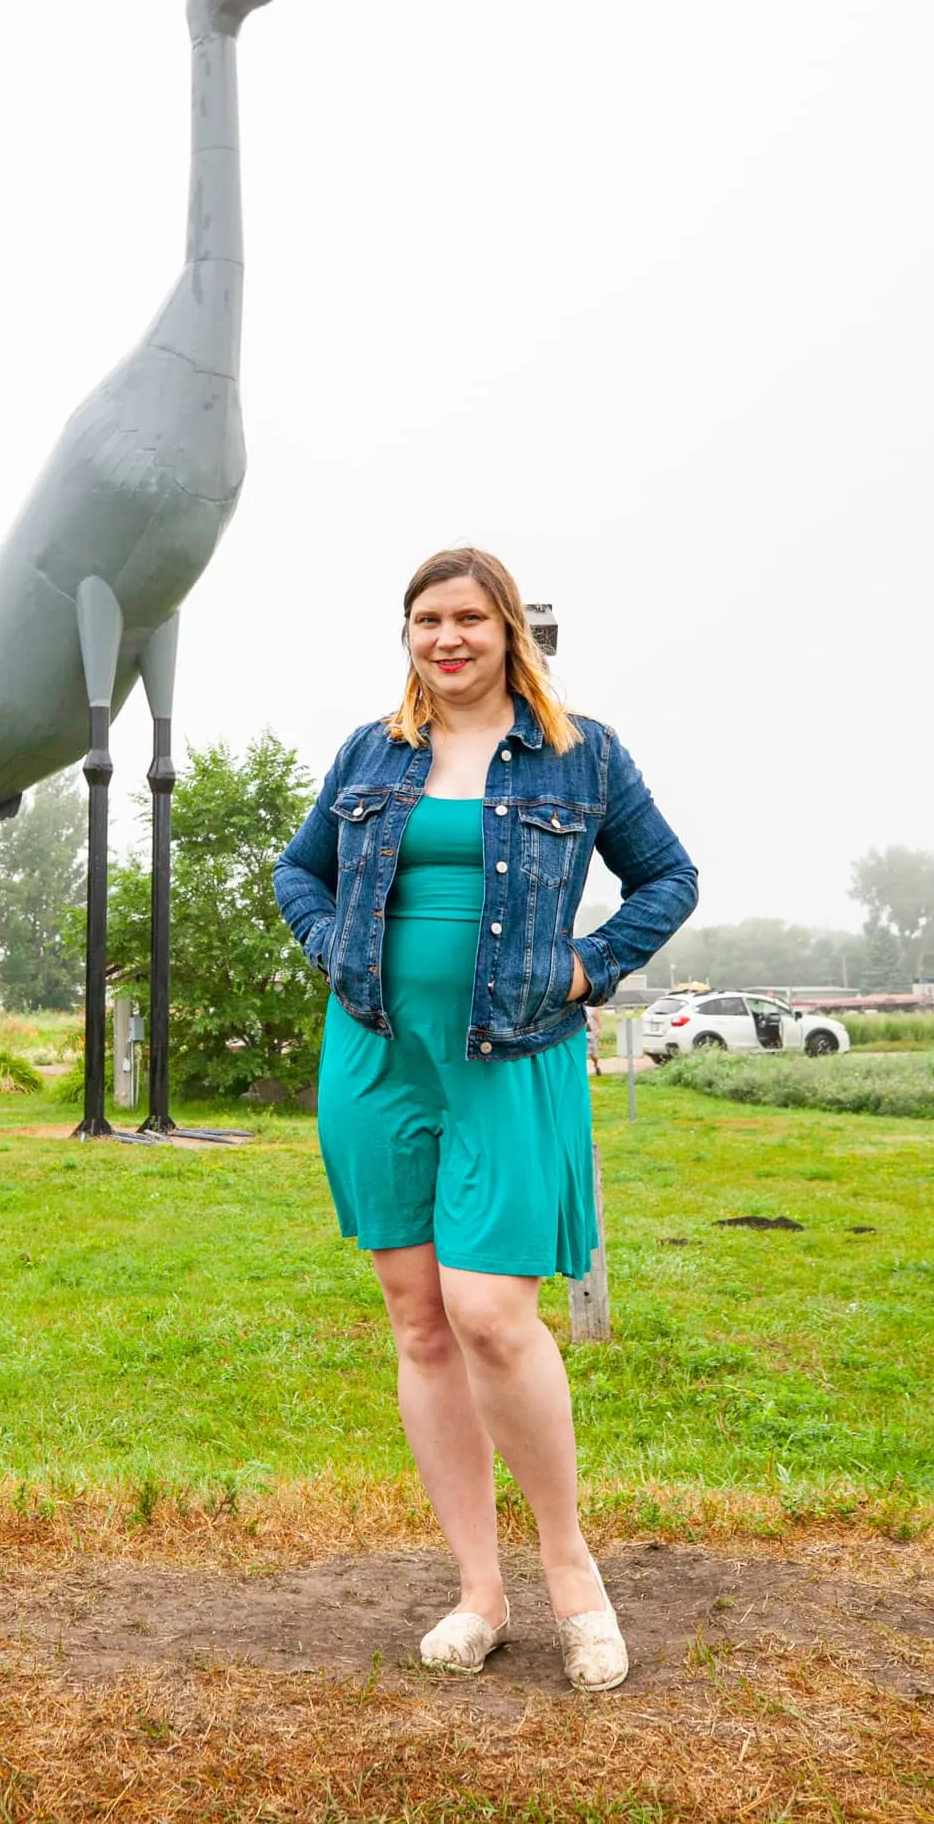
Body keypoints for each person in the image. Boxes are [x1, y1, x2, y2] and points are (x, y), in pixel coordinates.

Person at [273, 546, 697, 1691]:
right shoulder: (374, 750)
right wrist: (330, 952)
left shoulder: (578, 752)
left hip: (508, 1057)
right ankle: (478, 1592)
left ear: (508, 629)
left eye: (466, 617)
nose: (444, 638)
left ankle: (571, 1576)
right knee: (418, 1323)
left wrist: (584, 970)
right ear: (405, 635)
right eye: (424, 620)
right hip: (376, 1057)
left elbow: (667, 878)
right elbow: (297, 873)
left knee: (493, 1315)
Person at [584, 1003, 603, 1076]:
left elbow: (598, 1020)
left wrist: (598, 1029)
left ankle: (596, 1065)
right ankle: (583, 1072)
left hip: (590, 1035)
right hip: (580, 1035)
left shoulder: (592, 1008)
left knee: (593, 1055)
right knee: (581, 1054)